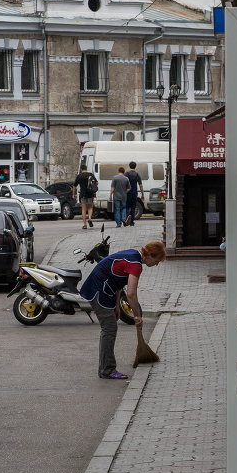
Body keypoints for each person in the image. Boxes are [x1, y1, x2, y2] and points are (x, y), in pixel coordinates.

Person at [79, 240, 166, 380]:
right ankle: (107, 370)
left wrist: (117, 305)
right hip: (98, 290)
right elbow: (131, 294)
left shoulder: (133, 255)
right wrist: (137, 316)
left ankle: (106, 368)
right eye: (157, 260)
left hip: (106, 290)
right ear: (150, 255)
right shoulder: (135, 264)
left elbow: (119, 282)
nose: (156, 264)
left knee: (110, 328)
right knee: (109, 329)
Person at [73, 163, 98, 229]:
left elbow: (74, 186)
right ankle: (89, 218)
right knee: (90, 207)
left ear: (81, 169)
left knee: (84, 209)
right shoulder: (90, 174)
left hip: (83, 194)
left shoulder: (79, 176)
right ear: (86, 169)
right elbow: (96, 182)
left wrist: (74, 194)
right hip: (90, 193)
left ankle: (85, 225)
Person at [125, 161, 142, 227]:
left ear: (129, 166)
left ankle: (127, 219)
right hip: (134, 192)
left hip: (128, 192)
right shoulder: (137, 175)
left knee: (127, 207)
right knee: (133, 207)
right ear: (135, 166)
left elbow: (124, 184)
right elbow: (140, 185)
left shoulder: (126, 174)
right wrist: (142, 194)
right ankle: (131, 222)